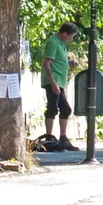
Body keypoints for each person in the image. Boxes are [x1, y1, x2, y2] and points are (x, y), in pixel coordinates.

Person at [40, 23, 79, 151]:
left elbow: (57, 60)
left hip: (59, 82)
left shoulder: (61, 44)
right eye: (71, 36)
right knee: (52, 107)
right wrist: (52, 82)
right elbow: (46, 63)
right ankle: (49, 137)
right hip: (53, 81)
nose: (71, 39)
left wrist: (69, 62)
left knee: (65, 109)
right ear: (64, 33)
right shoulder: (53, 42)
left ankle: (63, 138)